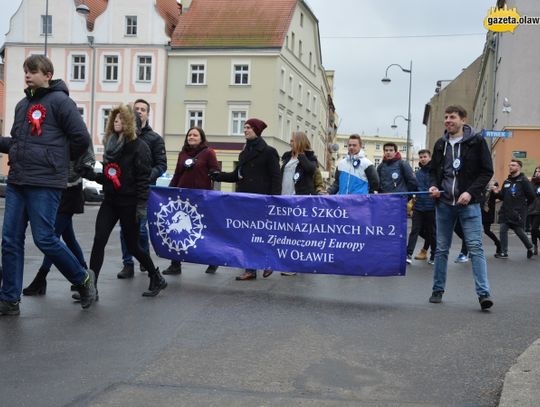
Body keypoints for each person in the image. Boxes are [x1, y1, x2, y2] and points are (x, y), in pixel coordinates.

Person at [0, 55, 96, 316]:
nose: (28, 75)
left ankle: (82, 279)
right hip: (18, 180)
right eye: (25, 71)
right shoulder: (22, 106)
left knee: (45, 239)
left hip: (46, 182)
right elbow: (19, 144)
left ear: (48, 75)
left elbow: (81, 139)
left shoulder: (61, 102)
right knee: (9, 240)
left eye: (33, 71)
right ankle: (9, 299)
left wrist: (59, 161)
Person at [85, 104, 167, 298]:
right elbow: (108, 175)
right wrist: (90, 175)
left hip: (130, 204)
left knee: (133, 246)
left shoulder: (140, 147)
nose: (116, 122)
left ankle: (156, 276)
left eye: (121, 119)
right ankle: (90, 287)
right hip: (111, 201)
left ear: (130, 123)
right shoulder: (111, 144)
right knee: (99, 240)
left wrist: (141, 207)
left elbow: (142, 181)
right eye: (114, 119)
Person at [428, 105, 494, 310]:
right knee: (441, 249)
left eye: (453, 117)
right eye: (446, 117)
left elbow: (486, 171)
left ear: (463, 120)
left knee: (475, 248)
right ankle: (437, 290)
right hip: (445, 204)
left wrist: (470, 192)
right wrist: (434, 186)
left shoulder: (476, 141)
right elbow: (433, 172)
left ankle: (484, 294)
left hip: (470, 204)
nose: (448, 120)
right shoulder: (440, 144)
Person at [211, 118, 281, 280]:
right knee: (247, 235)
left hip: (262, 200)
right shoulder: (244, 151)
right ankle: (250, 269)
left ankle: (268, 262)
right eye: (244, 127)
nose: (245, 130)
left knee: (262, 234)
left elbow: (276, 177)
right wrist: (218, 175)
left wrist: (274, 200)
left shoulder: (269, 151)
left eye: (248, 127)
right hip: (245, 199)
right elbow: (237, 175)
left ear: (256, 130)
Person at [22, 145, 95, 296]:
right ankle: (86, 276)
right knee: (69, 238)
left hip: (70, 191)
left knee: (52, 236)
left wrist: (70, 175)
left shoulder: (78, 133)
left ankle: (41, 279)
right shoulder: (56, 131)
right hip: (56, 189)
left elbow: (88, 160)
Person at [117, 99, 167, 279]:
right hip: (124, 191)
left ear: (147, 113)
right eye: (136, 109)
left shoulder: (154, 139)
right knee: (125, 229)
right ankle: (127, 263)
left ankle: (144, 261)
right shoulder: (122, 136)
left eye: (143, 109)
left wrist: (147, 176)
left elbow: (162, 165)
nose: (139, 112)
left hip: (143, 191)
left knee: (141, 229)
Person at [162, 126, 220, 275]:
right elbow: (176, 174)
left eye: (195, 135)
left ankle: (213, 261)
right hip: (182, 198)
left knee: (204, 230)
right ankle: (175, 264)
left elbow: (215, 171)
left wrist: (213, 177)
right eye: (189, 135)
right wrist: (168, 191)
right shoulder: (183, 154)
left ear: (201, 138)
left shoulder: (208, 153)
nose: (191, 137)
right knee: (177, 231)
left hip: (201, 198)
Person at [266, 131, 318, 278]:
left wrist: (301, 155)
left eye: (293, 141)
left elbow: (310, 169)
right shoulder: (287, 157)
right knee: (281, 233)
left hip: (298, 201)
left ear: (300, 142)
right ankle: (277, 262)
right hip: (283, 198)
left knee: (294, 235)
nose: (290, 143)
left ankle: (292, 265)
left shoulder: (310, 157)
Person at [493, 159, 535, 259]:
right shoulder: (507, 181)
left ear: (519, 167)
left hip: (517, 212)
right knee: (502, 229)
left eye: (513, 165)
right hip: (505, 211)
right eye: (510, 165)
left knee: (519, 231)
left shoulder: (523, 181)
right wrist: (496, 193)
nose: (510, 167)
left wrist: (523, 207)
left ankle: (530, 247)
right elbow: (502, 196)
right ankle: (504, 252)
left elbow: (532, 196)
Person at [406, 149, 436, 265]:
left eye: (425, 157)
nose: (423, 159)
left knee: (432, 232)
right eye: (421, 157)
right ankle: (408, 254)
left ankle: (434, 254)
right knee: (414, 231)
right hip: (418, 207)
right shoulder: (417, 174)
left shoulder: (435, 172)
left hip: (431, 207)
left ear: (430, 158)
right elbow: (412, 190)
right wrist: (404, 200)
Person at [481, 180, 502, 256]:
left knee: (487, 230)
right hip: (478, 210)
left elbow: (501, 197)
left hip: (487, 212)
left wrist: (497, 192)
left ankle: (498, 243)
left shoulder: (494, 184)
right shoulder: (480, 182)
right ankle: (471, 250)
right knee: (475, 231)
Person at [529, 167, 540, 256]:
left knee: (534, 229)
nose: (537, 173)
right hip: (531, 209)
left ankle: (534, 245)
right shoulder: (531, 183)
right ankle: (535, 246)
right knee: (533, 230)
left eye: (539, 171)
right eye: (536, 171)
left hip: (539, 210)